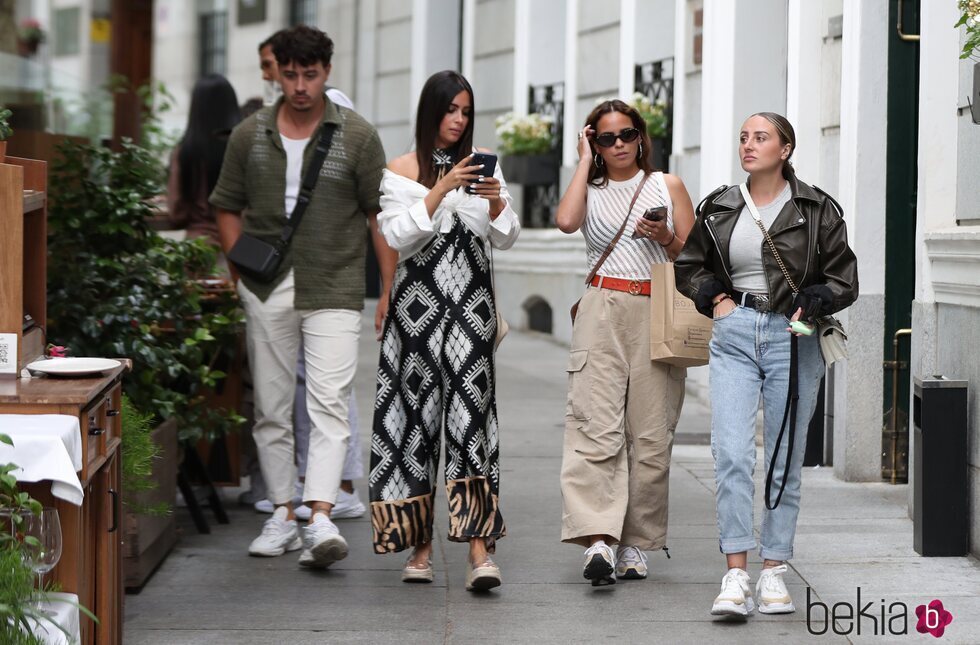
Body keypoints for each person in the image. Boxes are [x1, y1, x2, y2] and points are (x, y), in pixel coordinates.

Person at [211, 25, 394, 568]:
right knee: (270, 406)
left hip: (335, 283)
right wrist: (240, 271)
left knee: (329, 402)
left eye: (309, 75)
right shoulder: (250, 134)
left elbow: (376, 213)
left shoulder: (357, 135)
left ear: (326, 72)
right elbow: (225, 204)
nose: (299, 86)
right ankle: (283, 512)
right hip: (266, 283)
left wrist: (387, 287)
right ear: (277, 73)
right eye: (289, 74)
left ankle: (318, 517)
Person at [674, 112, 858, 616]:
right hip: (735, 332)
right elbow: (690, 266)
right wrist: (716, 300)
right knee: (731, 454)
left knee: (783, 457)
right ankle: (735, 574)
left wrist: (817, 297)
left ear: (786, 148)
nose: (749, 145)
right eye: (743, 138)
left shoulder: (817, 208)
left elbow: (845, 278)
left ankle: (773, 568)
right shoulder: (720, 206)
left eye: (761, 138)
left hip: (792, 338)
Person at [370, 70, 520, 591]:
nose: (457, 120)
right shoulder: (401, 169)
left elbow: (506, 238)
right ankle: (420, 547)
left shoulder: (482, 163)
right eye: (449, 110)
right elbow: (395, 234)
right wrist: (439, 190)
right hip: (416, 314)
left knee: (470, 421)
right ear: (430, 111)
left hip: (470, 314)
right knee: (415, 423)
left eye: (464, 110)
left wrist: (497, 202)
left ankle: (479, 548)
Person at [554, 99, 695, 586]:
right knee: (595, 423)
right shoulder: (588, 187)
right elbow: (566, 222)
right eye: (606, 138)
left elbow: (694, 258)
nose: (618, 145)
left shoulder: (666, 185)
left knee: (652, 433)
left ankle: (636, 541)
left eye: (626, 135)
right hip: (601, 305)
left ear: (641, 138)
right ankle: (598, 538)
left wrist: (665, 236)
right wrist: (581, 162)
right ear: (594, 141)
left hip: (656, 308)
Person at [245, 31, 368, 522]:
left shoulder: (332, 111)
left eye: (271, 64)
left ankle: (338, 487)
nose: (272, 76)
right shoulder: (272, 121)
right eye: (278, 69)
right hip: (288, 274)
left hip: (322, 270)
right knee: (298, 390)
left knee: (325, 392)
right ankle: (312, 488)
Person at [166, 74, 241, 247]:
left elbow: (177, 212)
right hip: (239, 248)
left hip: (199, 248)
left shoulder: (185, 151)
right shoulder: (244, 147)